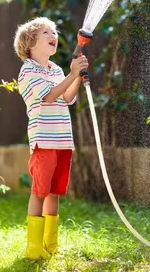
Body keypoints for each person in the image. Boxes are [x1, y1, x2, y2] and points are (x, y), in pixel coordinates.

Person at [14, 17, 89, 259]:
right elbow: (48, 96)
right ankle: (33, 247)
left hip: (62, 140)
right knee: (39, 191)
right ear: (30, 43)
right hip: (43, 141)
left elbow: (67, 97)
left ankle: (50, 244)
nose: (53, 34)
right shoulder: (28, 70)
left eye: (54, 31)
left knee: (54, 192)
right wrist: (72, 73)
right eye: (46, 31)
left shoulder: (55, 70)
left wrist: (76, 76)